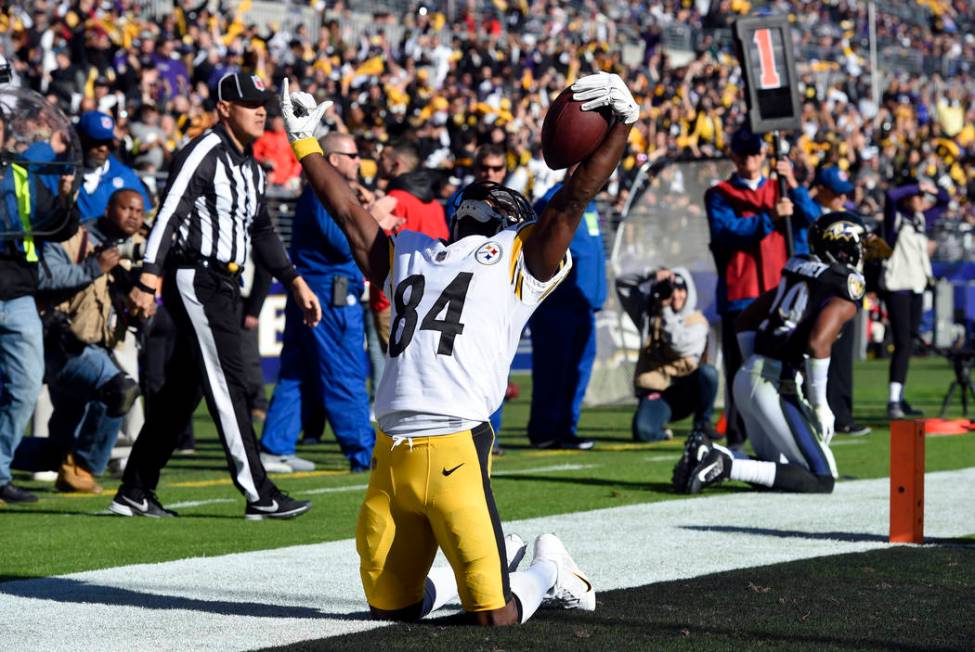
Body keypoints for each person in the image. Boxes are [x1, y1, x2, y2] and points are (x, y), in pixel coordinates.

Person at [280, 70, 638, 625]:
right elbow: (350, 216)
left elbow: (573, 200)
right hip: (391, 456)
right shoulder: (415, 254)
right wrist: (304, 145)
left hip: (455, 449)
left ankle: (549, 568)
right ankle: (469, 571)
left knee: (495, 615)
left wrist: (621, 128)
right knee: (391, 606)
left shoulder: (518, 260)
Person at [110, 72, 322, 520]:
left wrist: (295, 280)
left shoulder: (250, 166)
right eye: (249, 102)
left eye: (263, 102)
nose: (261, 110)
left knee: (182, 392)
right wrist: (150, 278)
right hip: (197, 277)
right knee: (232, 384)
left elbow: (262, 230)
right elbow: (168, 212)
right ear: (224, 107)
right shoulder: (204, 151)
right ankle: (259, 492)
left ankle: (135, 489)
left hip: (226, 281)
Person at [674, 211, 867, 495]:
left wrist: (754, 365)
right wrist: (820, 403)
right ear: (842, 247)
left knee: (775, 468)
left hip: (751, 376)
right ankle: (724, 464)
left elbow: (746, 320)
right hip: (774, 383)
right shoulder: (843, 286)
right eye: (859, 245)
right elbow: (817, 343)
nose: (863, 253)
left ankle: (708, 454)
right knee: (822, 478)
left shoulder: (799, 270)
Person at [260, 132, 376, 473]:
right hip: (330, 296)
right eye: (352, 154)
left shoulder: (320, 193)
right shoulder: (326, 194)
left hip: (314, 290)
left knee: (298, 371)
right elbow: (345, 244)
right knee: (345, 372)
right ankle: (363, 452)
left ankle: (275, 446)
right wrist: (375, 218)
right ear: (333, 160)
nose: (359, 160)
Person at [17, 189, 144, 494]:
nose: (134, 216)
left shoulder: (125, 248)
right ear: (108, 210)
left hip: (93, 344)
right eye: (127, 209)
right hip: (63, 343)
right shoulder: (71, 238)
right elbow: (46, 278)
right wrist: (94, 267)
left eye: (139, 211)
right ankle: (84, 467)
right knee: (121, 390)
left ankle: (62, 465)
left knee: (57, 452)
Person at [0, 114, 79, 504]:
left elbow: (59, 227)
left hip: (17, 295)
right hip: (17, 296)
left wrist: (66, 199)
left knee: (26, 387)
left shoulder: (21, 174)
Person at [704, 125, 797, 450]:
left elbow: (809, 221)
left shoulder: (781, 188)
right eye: (743, 153)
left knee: (780, 371)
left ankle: (781, 439)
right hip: (740, 296)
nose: (750, 160)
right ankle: (737, 441)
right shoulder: (718, 194)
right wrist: (770, 217)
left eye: (756, 153)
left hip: (777, 295)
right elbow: (727, 232)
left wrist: (795, 187)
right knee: (739, 374)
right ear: (733, 156)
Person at [525, 166, 607, 450]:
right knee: (553, 370)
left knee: (577, 371)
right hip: (556, 305)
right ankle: (545, 430)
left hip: (584, 306)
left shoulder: (591, 204)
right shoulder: (554, 200)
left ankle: (566, 429)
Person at [786, 164, 869, 436]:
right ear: (820, 190)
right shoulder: (807, 210)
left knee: (841, 357)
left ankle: (840, 412)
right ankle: (816, 409)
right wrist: (794, 185)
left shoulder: (839, 214)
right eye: (836, 193)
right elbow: (812, 217)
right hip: (816, 294)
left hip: (836, 290)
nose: (842, 200)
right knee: (814, 352)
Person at [616, 267, 717, 442]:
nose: (675, 295)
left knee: (709, 374)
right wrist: (650, 274)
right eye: (671, 289)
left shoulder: (697, 322)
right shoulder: (648, 313)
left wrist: (667, 312)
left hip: (687, 392)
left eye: (680, 289)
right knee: (643, 432)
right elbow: (622, 283)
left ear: (688, 291)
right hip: (659, 392)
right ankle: (662, 432)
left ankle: (703, 423)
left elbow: (678, 345)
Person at [882, 179, 948, 419]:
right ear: (908, 197)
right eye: (918, 196)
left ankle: (899, 395)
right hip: (897, 287)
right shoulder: (895, 217)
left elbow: (945, 201)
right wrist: (915, 187)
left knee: (908, 344)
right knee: (901, 343)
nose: (922, 200)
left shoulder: (921, 219)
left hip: (917, 287)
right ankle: (892, 401)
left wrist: (930, 189)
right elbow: (890, 195)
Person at [74, 111, 153, 222]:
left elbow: (145, 221)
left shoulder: (127, 178)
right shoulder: (59, 171)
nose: (103, 148)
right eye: (96, 141)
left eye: (108, 143)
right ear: (80, 139)